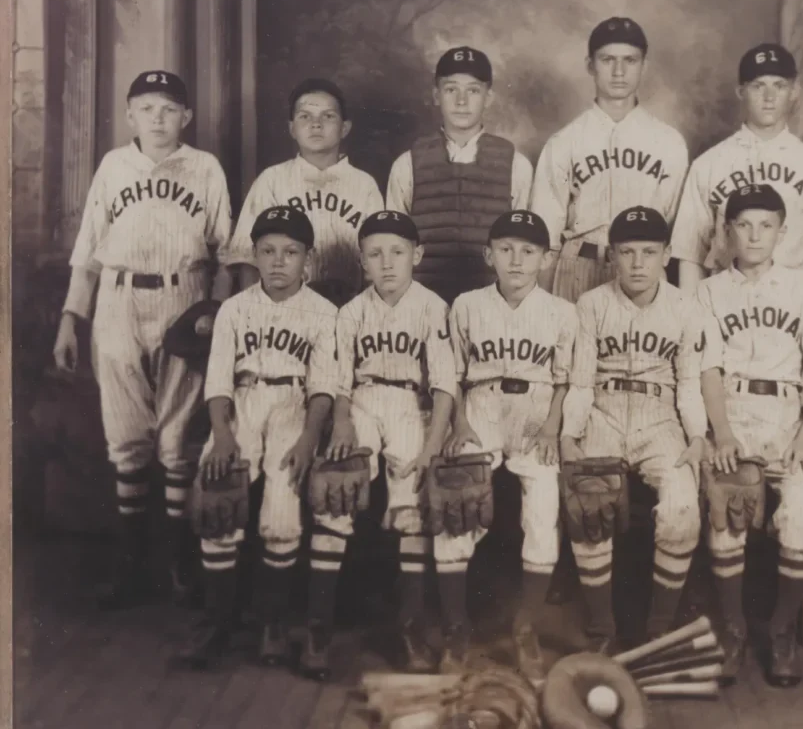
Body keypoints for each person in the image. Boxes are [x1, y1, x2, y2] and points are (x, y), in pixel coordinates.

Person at [52, 70, 232, 609]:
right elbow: (87, 251)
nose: (158, 118)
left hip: (185, 295)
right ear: (130, 115)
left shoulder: (205, 168)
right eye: (146, 108)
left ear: (187, 118)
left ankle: (180, 564)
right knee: (127, 436)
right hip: (118, 299)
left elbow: (226, 251)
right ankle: (132, 565)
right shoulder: (113, 166)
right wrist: (69, 318)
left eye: (169, 108)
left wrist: (213, 311)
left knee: (179, 440)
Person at [176, 206, 338, 670]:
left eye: (290, 252)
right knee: (217, 499)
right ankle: (216, 624)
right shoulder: (235, 308)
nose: (278, 261)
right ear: (255, 256)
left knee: (282, 514)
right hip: (242, 402)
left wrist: (309, 436)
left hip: (293, 404)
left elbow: (323, 386)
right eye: (267, 251)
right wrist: (222, 435)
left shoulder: (324, 312)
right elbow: (219, 381)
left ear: (307, 260)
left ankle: (273, 623)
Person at [698, 184, 803, 688]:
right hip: (731, 408)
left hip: (785, 415)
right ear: (727, 230)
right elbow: (708, 369)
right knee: (725, 508)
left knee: (802, 512)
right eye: (744, 225)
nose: (754, 235)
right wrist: (723, 432)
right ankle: (732, 629)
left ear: (781, 231)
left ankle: (781, 632)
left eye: (766, 225)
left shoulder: (800, 286)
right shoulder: (710, 290)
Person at [560, 206, 708, 654]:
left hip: (659, 415)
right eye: (628, 252)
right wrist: (570, 435)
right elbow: (581, 381)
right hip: (602, 409)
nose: (638, 263)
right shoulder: (590, 305)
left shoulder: (685, 308)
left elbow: (688, 384)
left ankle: (659, 627)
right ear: (612, 257)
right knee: (590, 505)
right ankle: (603, 628)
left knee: (682, 508)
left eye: (649, 252)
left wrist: (698, 436)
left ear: (666, 256)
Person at [440, 209, 577, 682]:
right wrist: (458, 424)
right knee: (454, 508)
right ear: (489, 254)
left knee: (542, 514)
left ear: (545, 257)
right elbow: (451, 377)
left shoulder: (562, 311)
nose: (516, 260)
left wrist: (552, 428)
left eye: (528, 251)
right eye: (506, 249)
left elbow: (565, 382)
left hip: (537, 412)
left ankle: (526, 629)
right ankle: (457, 631)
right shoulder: (465, 305)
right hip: (480, 408)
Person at [325, 210, 457, 675]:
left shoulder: (432, 306)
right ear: (362, 262)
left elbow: (444, 386)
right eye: (375, 254)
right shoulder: (351, 312)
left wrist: (432, 446)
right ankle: (320, 629)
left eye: (397, 252)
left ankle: (411, 627)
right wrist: (341, 423)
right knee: (337, 486)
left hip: (409, 402)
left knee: (412, 505)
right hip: (362, 401)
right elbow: (339, 383)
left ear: (416, 255)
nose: (387, 263)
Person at [531, 17, 689, 303]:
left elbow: (677, 232)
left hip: (644, 268)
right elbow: (545, 237)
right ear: (590, 65)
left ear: (644, 66)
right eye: (607, 60)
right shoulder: (564, 142)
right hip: (578, 267)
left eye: (630, 60)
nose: (619, 71)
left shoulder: (669, 143)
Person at [672, 43, 803, 296]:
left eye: (779, 86)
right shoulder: (709, 164)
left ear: (795, 91)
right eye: (758, 86)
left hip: (794, 299)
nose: (769, 97)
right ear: (741, 91)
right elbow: (690, 256)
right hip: (726, 298)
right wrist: (691, 316)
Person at [386, 47, 533, 304]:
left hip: (492, 307)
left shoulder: (516, 165)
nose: (461, 101)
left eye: (473, 90)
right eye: (451, 89)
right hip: (423, 305)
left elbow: (526, 248)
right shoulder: (407, 163)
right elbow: (393, 246)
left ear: (488, 97)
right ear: (436, 95)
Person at [226, 78, 383, 303]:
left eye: (328, 116)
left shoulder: (364, 184)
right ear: (292, 128)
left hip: (349, 305)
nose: (316, 124)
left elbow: (377, 260)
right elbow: (246, 259)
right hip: (285, 307)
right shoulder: (272, 179)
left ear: (344, 128)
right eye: (305, 116)